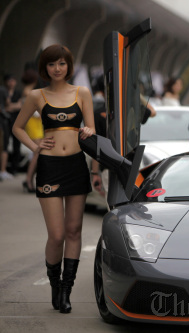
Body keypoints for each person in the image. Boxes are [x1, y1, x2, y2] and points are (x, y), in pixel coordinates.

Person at [12, 44, 95, 314]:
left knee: (74, 231)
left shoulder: (82, 93)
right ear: (44, 68)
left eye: (61, 63)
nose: (57, 69)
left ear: (69, 65)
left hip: (75, 166)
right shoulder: (37, 95)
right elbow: (17, 127)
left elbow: (92, 128)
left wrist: (87, 130)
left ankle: (66, 290)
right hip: (49, 167)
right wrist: (35, 146)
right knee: (57, 235)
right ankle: (54, 286)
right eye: (51, 64)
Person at [21, 68, 44, 192]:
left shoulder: (28, 91)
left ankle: (29, 179)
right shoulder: (28, 92)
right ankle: (29, 179)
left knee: (37, 152)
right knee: (37, 152)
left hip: (35, 122)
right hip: (33, 122)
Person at [1, 74, 22, 179]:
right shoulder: (3, 91)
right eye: (9, 81)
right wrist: (13, 106)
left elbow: (20, 105)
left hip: (16, 121)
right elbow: (5, 106)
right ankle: (4, 169)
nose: (11, 83)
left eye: (13, 80)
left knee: (16, 145)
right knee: (4, 144)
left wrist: (10, 107)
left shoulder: (18, 92)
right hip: (5, 121)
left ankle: (14, 168)